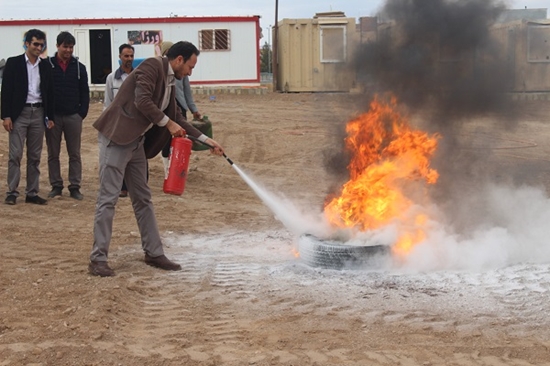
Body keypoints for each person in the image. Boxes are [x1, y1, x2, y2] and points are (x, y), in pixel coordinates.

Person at [89, 41, 225, 277]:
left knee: (143, 199)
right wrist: (168, 124)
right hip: (117, 138)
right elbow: (143, 101)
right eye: (191, 66)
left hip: (136, 143)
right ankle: (98, 259)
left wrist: (206, 139)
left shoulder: (170, 79)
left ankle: (153, 252)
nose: (191, 72)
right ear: (179, 59)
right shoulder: (153, 66)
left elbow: (177, 117)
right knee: (108, 199)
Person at [1, 28, 55, 205]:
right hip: (20, 113)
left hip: (38, 113)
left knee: (35, 156)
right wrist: (6, 116)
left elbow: (49, 92)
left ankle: (32, 192)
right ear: (26, 44)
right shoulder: (14, 63)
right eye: (36, 44)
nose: (39, 47)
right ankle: (12, 191)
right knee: (15, 154)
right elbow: (6, 91)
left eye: (41, 44)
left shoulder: (45, 65)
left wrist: (50, 116)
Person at [46, 31, 89, 200]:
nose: (68, 50)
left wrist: (81, 114)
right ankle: (56, 185)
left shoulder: (79, 67)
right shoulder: (47, 65)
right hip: (53, 117)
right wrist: (47, 115)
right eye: (65, 46)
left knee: (74, 153)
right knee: (53, 153)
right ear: (57, 46)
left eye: (71, 47)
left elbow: (84, 93)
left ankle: (74, 186)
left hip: (73, 116)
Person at [159, 41, 203, 175]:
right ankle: (168, 168)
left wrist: (193, 109)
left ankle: (178, 167)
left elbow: (186, 91)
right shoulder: (159, 71)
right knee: (166, 139)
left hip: (179, 107)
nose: (189, 73)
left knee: (180, 138)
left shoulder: (181, 73)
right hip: (164, 111)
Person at [104, 43, 135, 197]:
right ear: (119, 57)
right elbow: (108, 103)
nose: (129, 59)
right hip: (118, 123)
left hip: (135, 123)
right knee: (119, 156)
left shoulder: (139, 77)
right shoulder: (112, 78)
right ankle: (121, 187)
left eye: (131, 56)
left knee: (136, 156)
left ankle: (135, 186)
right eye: (126, 56)